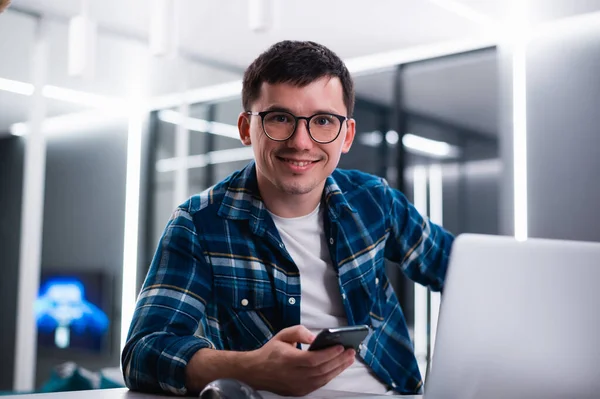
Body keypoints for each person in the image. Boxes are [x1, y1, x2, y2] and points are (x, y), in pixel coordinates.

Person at [122, 40, 454, 397]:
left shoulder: (374, 199)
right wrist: (253, 368)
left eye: (323, 121)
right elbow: (143, 353)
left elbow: (460, 271)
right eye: (280, 118)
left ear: (347, 136)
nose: (301, 141)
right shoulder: (199, 224)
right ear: (247, 128)